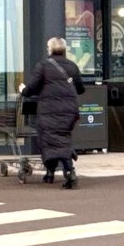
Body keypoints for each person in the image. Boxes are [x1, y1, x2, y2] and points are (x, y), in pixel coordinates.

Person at [22, 37, 85, 188]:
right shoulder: (72, 66)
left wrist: (23, 90)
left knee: (49, 140)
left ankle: (63, 172)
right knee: (61, 139)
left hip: (49, 110)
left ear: (49, 49)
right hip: (69, 111)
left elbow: (32, 88)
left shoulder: (43, 66)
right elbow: (80, 89)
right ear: (64, 49)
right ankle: (59, 172)